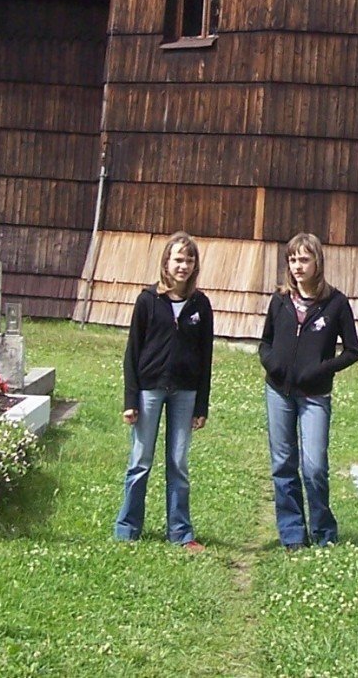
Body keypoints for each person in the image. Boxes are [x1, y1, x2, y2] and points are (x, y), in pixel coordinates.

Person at [258, 232, 358, 548]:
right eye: (292, 260)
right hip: (279, 392)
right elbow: (265, 342)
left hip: (315, 397)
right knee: (283, 464)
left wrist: (320, 369)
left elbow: (352, 351)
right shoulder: (279, 301)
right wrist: (272, 364)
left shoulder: (336, 303)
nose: (298, 266)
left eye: (304, 259)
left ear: (318, 262)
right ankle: (292, 534)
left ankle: (323, 532)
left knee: (314, 466)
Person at [114, 232, 213, 548]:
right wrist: (131, 400)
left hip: (185, 392)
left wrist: (201, 406)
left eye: (189, 260)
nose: (183, 266)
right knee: (140, 461)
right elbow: (132, 353)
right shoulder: (147, 301)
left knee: (179, 463)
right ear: (166, 263)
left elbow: (206, 358)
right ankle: (127, 529)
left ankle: (180, 532)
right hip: (149, 389)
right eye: (178, 259)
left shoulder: (201, 304)